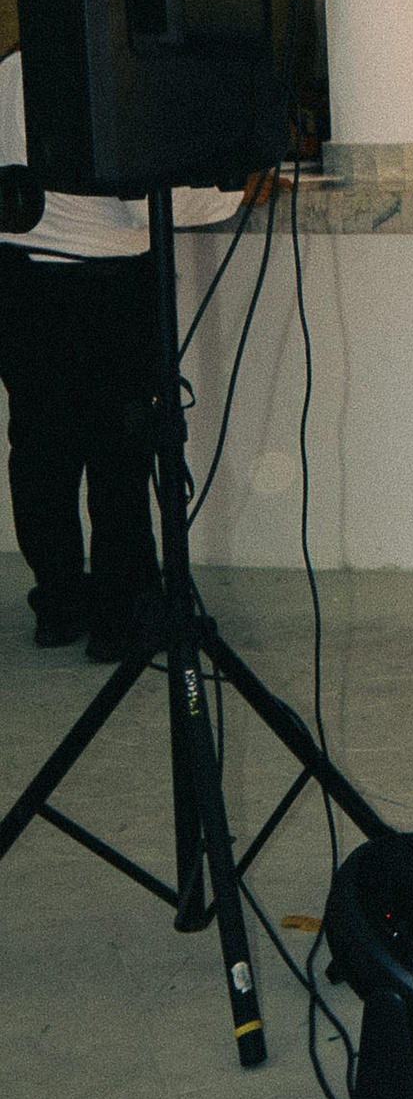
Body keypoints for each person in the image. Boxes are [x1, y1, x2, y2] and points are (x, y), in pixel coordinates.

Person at [0, 43, 238, 661]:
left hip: (18, 284)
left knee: (39, 454)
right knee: (120, 456)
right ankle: (120, 620)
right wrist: (237, 194)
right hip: (105, 288)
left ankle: (58, 604)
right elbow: (144, 204)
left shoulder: (11, 68)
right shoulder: (109, 73)